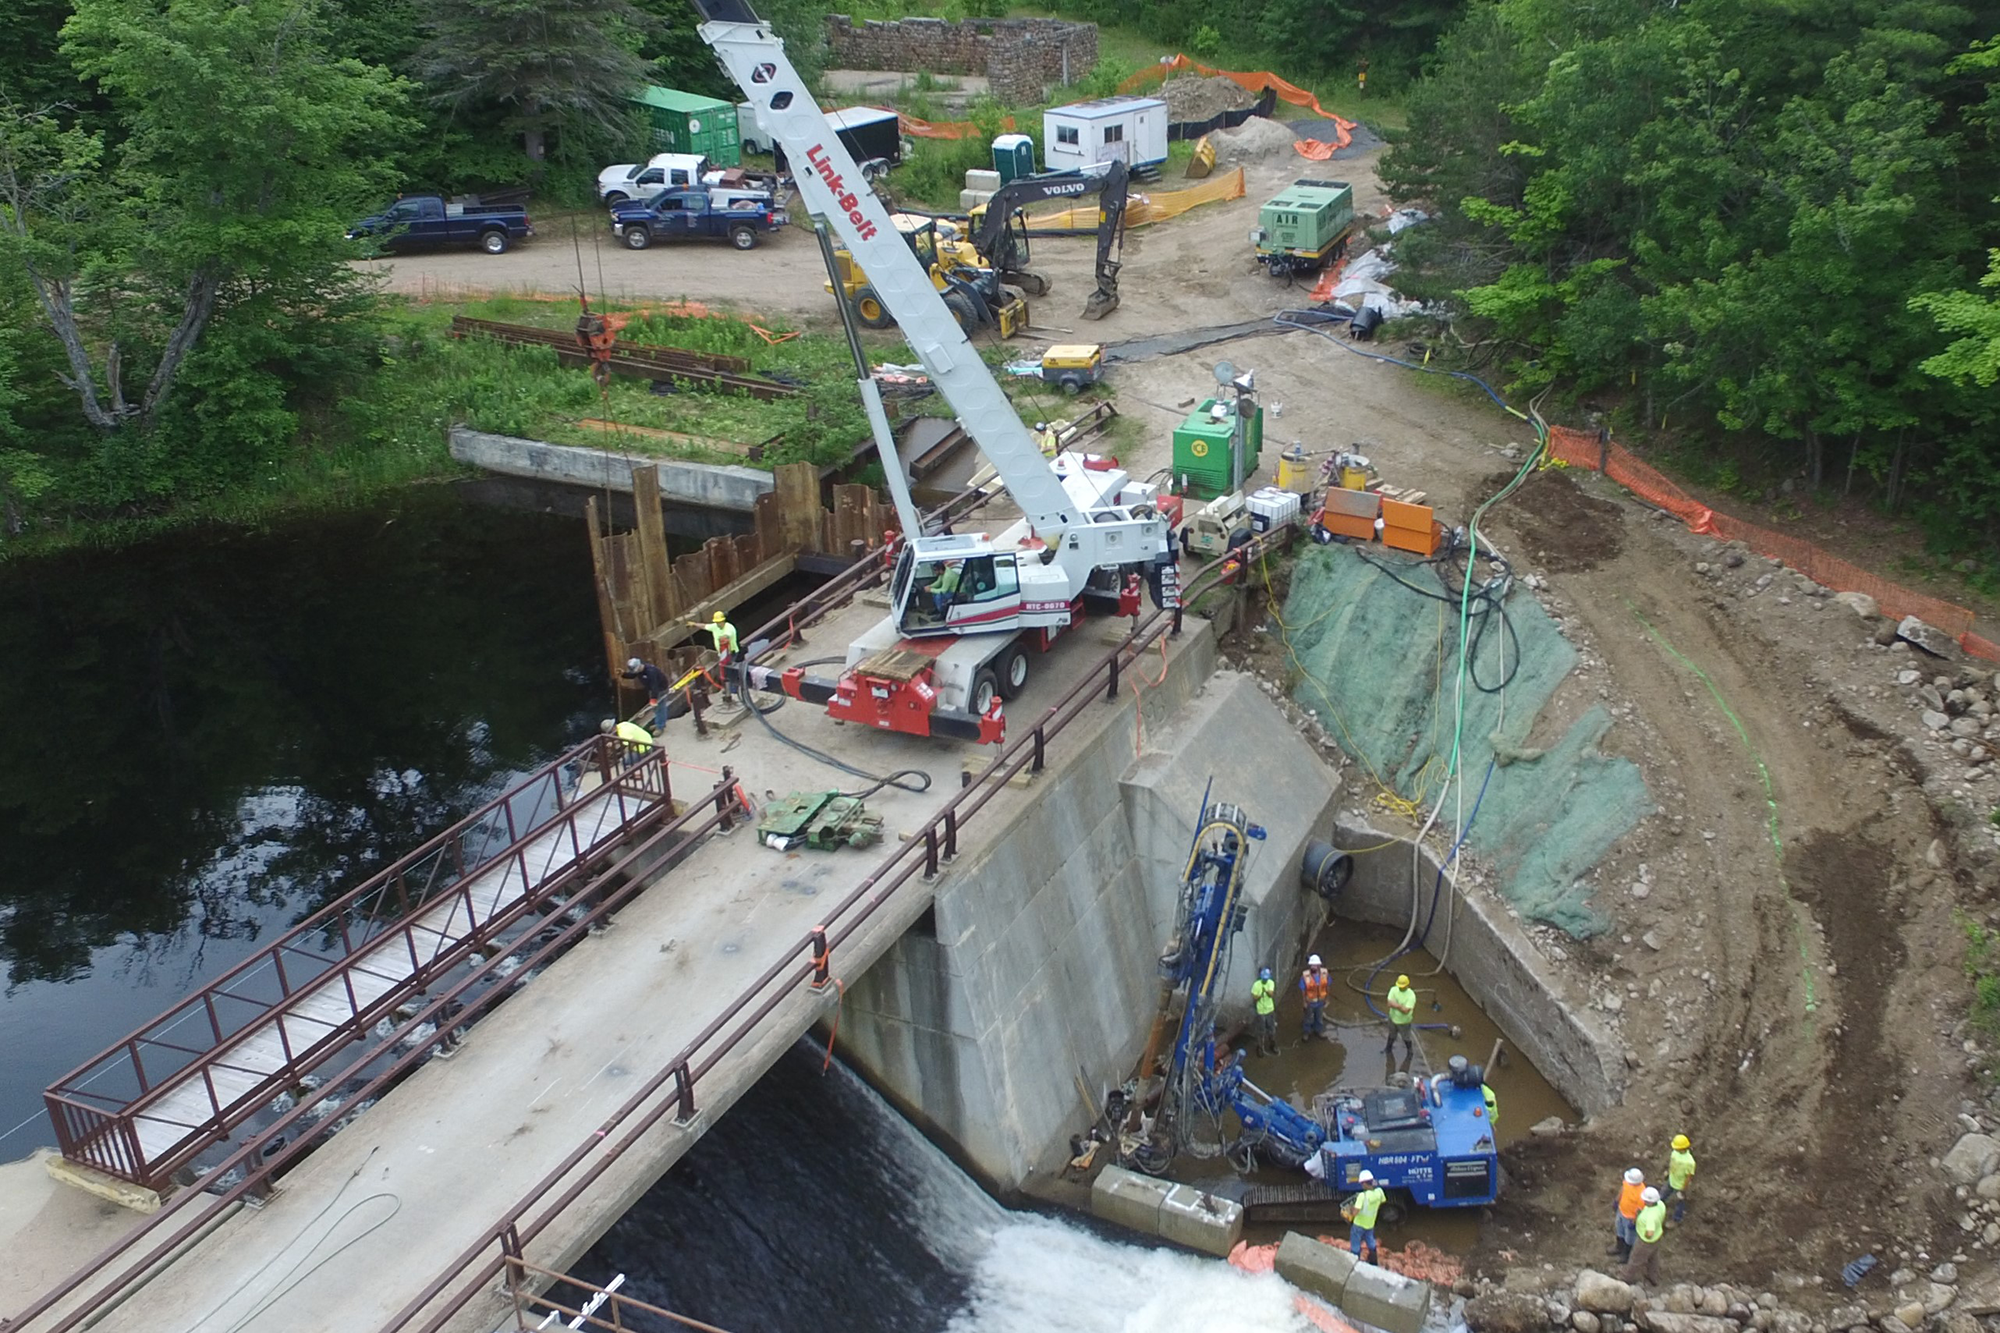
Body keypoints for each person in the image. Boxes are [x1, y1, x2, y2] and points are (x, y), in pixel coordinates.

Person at [1623, 1185, 1666, 1285]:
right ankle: (1653, 1276)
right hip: (1657, 1237)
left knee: (1635, 1258)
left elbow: (1650, 1233)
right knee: (1653, 1257)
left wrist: (1645, 1235)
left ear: (1649, 1201)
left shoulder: (1650, 1217)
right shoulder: (1660, 1205)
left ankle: (1626, 1277)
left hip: (1646, 1241)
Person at [1347, 1169, 1386, 1265]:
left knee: (1355, 1245)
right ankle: (1373, 1262)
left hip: (1358, 1225)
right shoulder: (1379, 1192)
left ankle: (1355, 1263)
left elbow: (1355, 1213)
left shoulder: (1362, 1196)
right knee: (1371, 1242)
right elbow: (1382, 1201)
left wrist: (1350, 1210)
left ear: (1364, 1184)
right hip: (1370, 1224)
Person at [621, 657, 672, 723]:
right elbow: (632, 675)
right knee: (655, 709)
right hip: (651, 689)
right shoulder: (639, 670)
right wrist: (623, 674)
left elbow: (654, 686)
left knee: (660, 708)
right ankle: (659, 723)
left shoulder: (651, 671)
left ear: (639, 666)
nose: (635, 672)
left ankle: (660, 727)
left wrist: (654, 698)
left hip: (660, 689)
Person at [1610, 1167, 1645, 1263]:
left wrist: (1634, 1221)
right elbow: (1622, 1189)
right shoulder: (1627, 1182)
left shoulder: (1641, 1192)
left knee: (1629, 1237)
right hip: (1621, 1211)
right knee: (1619, 1230)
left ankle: (1626, 1254)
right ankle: (1618, 1247)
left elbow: (1640, 1210)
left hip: (1630, 1218)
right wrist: (1616, 1201)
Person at [1664, 1133, 1696, 1224]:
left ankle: (1677, 1219)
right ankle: (1658, 1205)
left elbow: (1689, 1177)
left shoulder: (1689, 1162)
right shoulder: (1675, 1153)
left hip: (1679, 1185)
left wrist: (1683, 1189)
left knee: (1680, 1203)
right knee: (1663, 1194)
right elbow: (1672, 1163)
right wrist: (1669, 1172)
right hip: (1671, 1180)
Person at [1384, 973, 1417, 1057]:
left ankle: (1410, 1052)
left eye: (1402, 986)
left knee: (1406, 1037)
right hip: (1392, 1019)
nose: (1401, 988)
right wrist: (1400, 1006)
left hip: (1404, 1022)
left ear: (1407, 985)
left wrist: (1396, 1005)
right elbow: (1389, 1003)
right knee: (1391, 1035)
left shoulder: (1411, 995)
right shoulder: (1393, 990)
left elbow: (1406, 1010)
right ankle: (1388, 1049)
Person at [1299, 954, 1330, 1038]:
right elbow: (1303, 990)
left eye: (1315, 965)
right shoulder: (1305, 976)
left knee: (1319, 1017)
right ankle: (1306, 1032)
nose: (1313, 967)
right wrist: (1304, 1002)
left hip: (1320, 1001)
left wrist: (1327, 999)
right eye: (1312, 965)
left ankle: (1318, 1030)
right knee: (1308, 1018)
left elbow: (1327, 986)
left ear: (1319, 965)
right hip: (1310, 1002)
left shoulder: (1324, 973)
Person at [1251, 967, 1278, 1055]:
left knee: (1271, 1028)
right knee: (1261, 1030)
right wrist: (1259, 995)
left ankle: (1273, 1044)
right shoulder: (1256, 985)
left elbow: (1271, 994)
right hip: (1261, 1011)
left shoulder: (1271, 983)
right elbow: (1254, 997)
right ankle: (1260, 1047)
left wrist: (1265, 990)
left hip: (1270, 1009)